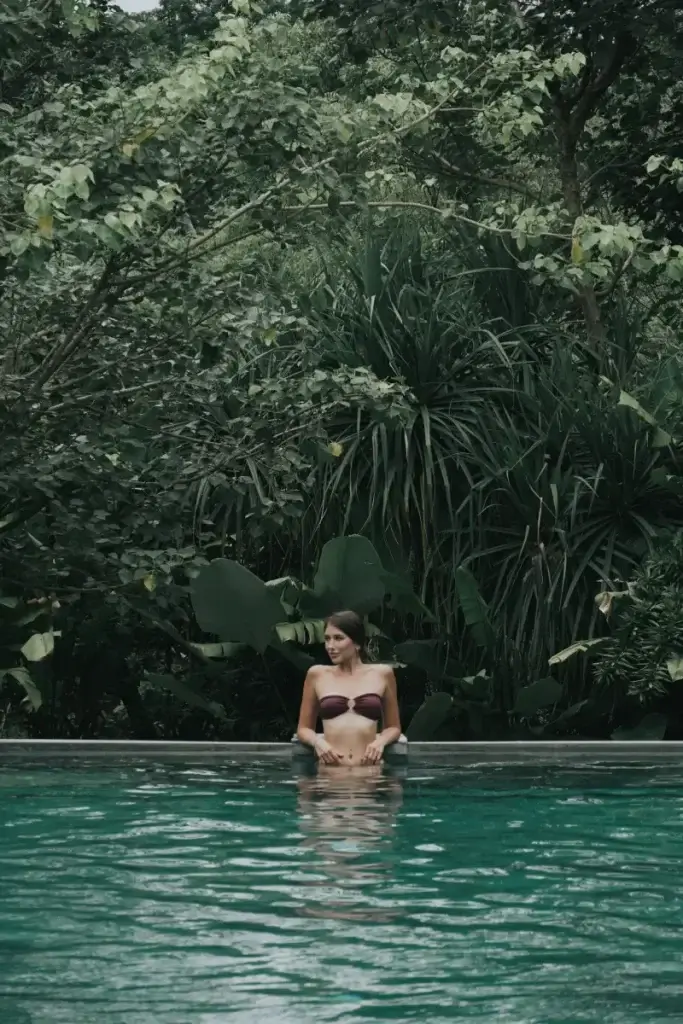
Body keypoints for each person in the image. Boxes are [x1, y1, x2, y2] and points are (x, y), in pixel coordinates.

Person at [296, 610, 402, 767]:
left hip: (370, 774)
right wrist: (318, 742)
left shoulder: (382, 674)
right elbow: (303, 729)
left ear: (357, 643)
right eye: (327, 639)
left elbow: (394, 727)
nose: (330, 646)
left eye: (338, 638)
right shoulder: (317, 675)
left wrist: (380, 742)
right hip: (330, 775)